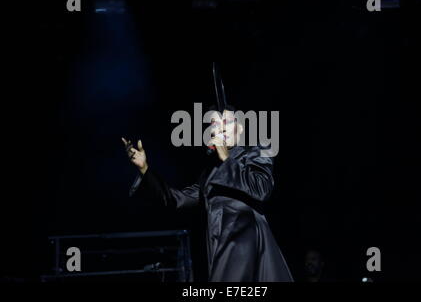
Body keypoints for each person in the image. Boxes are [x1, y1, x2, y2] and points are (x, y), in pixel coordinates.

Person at [122, 107, 293, 282]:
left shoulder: (257, 149)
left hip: (244, 239)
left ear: (240, 128)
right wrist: (144, 169)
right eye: (215, 124)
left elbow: (261, 188)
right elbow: (177, 200)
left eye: (226, 122)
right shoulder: (210, 172)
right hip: (218, 242)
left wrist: (228, 160)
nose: (221, 128)